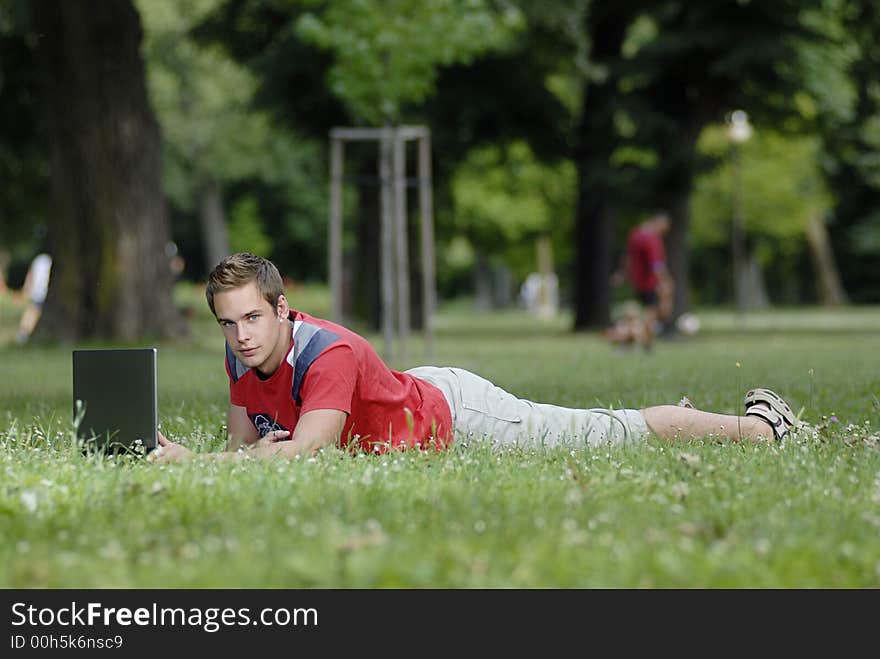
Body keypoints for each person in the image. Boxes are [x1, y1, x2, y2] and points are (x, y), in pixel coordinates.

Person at [151, 253, 799, 464]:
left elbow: (305, 451)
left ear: (284, 306)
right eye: (229, 322)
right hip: (411, 399)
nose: (241, 335)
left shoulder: (331, 352)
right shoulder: (240, 355)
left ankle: (765, 428)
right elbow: (244, 449)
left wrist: (191, 463)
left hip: (454, 414)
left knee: (612, 431)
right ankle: (692, 422)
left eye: (254, 317)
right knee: (602, 428)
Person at [611, 211, 674, 349]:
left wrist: (622, 273)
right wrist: (665, 282)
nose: (663, 234)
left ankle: (629, 341)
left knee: (637, 314)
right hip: (650, 282)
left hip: (635, 281)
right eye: (663, 230)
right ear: (659, 223)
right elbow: (656, 265)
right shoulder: (652, 238)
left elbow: (627, 257)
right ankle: (644, 343)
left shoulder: (635, 234)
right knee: (652, 314)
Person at [16, 252, 52, 345]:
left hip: (41, 293)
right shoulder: (41, 260)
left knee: (33, 312)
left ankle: (23, 334)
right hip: (40, 293)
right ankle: (23, 334)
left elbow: (30, 276)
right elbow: (31, 276)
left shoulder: (38, 259)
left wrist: (26, 290)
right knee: (33, 313)